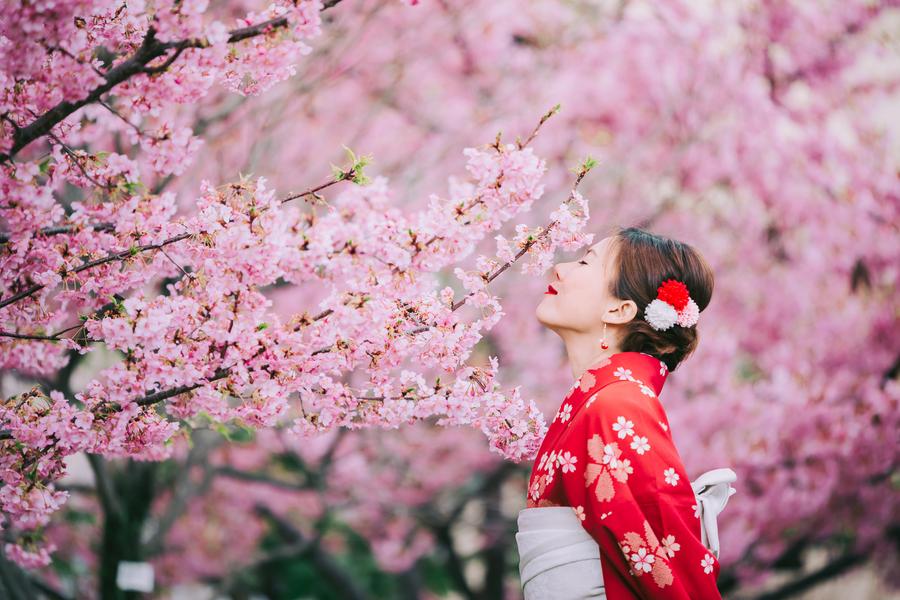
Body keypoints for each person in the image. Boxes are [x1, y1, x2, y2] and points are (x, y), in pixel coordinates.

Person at [516, 226, 737, 599]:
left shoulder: (616, 406)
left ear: (620, 310)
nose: (559, 269)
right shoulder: (605, 402)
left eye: (585, 262)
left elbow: (666, 562)